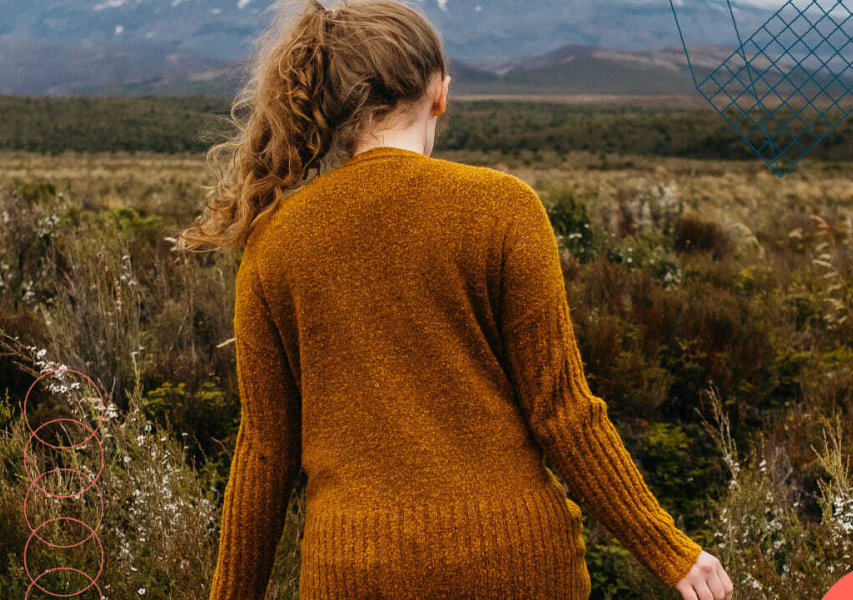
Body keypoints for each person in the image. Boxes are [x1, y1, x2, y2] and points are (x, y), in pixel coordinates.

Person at [177, 0, 735, 598]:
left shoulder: (275, 240)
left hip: (356, 572)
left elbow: (265, 450)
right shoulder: (503, 207)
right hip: (517, 565)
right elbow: (563, 412)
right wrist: (669, 550)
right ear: (438, 92)